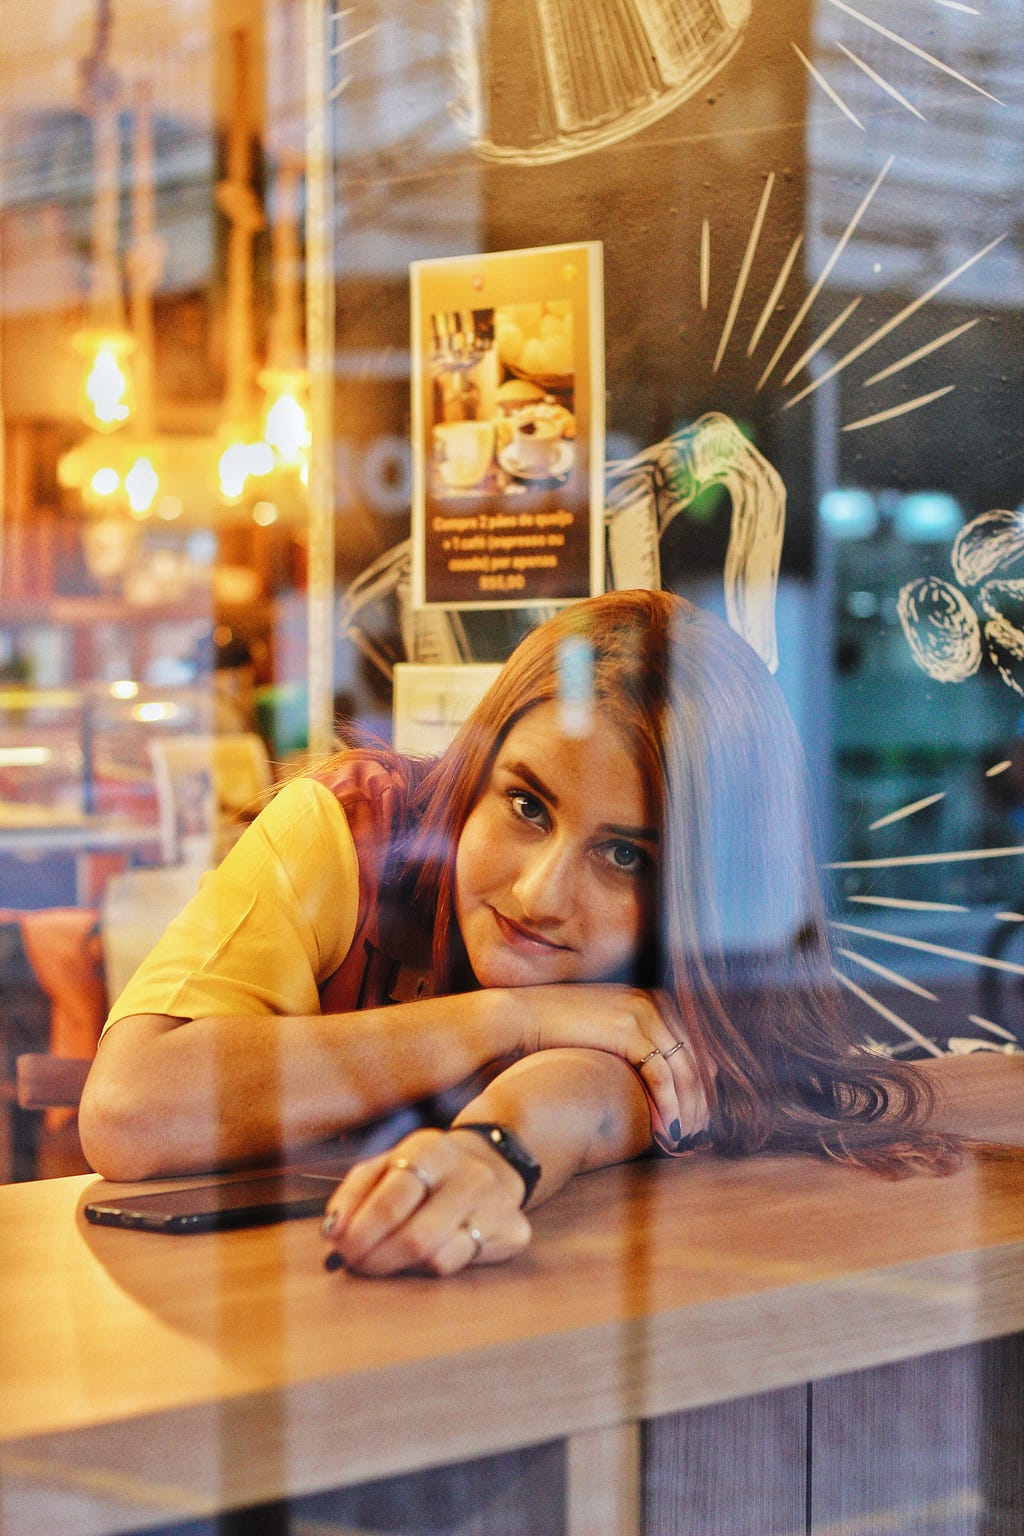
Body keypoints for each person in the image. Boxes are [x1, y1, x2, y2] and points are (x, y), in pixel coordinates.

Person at [79, 590, 957, 1277]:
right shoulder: (350, 830)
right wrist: (507, 1020)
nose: (541, 894)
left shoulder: (699, 973)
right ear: (479, 768)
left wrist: (492, 1154)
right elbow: (130, 1111)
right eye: (527, 805)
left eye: (624, 855)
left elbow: (588, 1092)